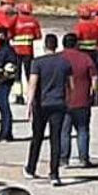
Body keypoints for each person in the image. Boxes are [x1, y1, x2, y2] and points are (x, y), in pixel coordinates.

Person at [25, 35, 71, 186]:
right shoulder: (64, 63)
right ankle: (54, 173)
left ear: (45, 46)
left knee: (37, 137)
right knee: (55, 138)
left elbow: (33, 83)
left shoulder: (37, 62)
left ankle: (31, 167)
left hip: (41, 104)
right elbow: (71, 85)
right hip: (58, 103)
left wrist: (29, 103)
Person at [57, 33, 98, 168]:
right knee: (82, 130)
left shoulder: (59, 58)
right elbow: (94, 78)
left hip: (64, 100)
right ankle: (83, 158)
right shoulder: (85, 58)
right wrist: (93, 93)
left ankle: (64, 159)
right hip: (82, 99)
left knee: (64, 131)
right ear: (77, 44)